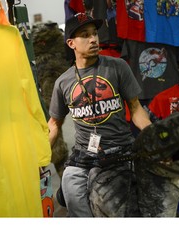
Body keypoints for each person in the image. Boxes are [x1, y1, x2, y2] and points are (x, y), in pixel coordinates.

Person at [48, 13, 152, 217]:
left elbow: (136, 108)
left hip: (119, 149)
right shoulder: (63, 82)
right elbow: (54, 124)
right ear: (71, 43)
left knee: (111, 201)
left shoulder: (117, 67)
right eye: (85, 35)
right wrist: (39, 157)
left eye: (95, 33)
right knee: (69, 190)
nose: (94, 39)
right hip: (83, 153)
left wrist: (155, 135)